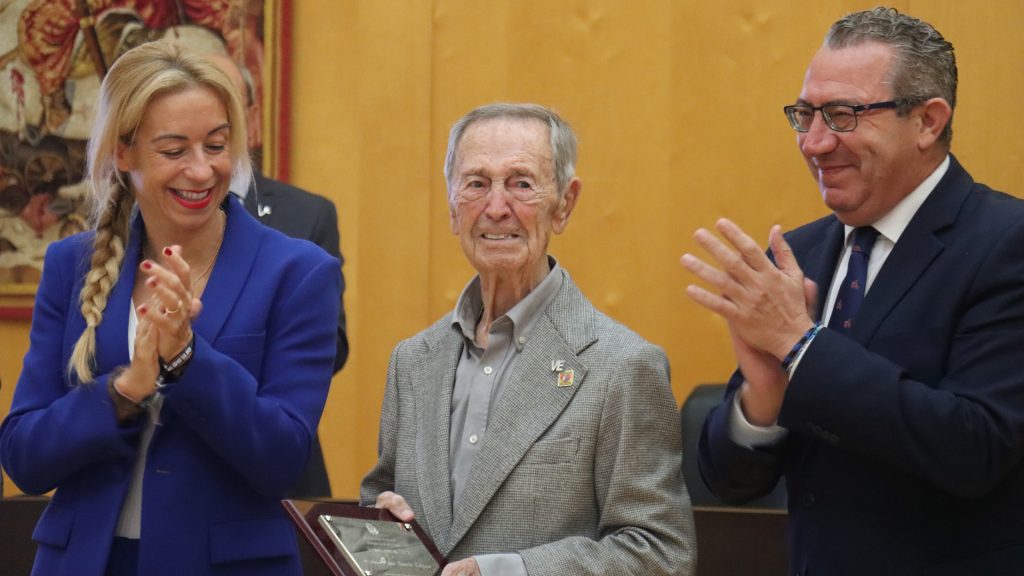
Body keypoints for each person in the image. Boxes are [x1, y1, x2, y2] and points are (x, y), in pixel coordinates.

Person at [681, 7, 1024, 575]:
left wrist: (801, 346)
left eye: (842, 115)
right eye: (805, 115)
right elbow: (728, 482)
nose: (814, 144)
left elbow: (975, 447)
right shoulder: (800, 254)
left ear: (928, 121)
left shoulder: (1006, 245)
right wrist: (758, 407)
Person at [0, 40, 340, 576]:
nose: (202, 171)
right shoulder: (71, 264)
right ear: (123, 152)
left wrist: (186, 359)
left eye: (216, 145)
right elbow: (24, 456)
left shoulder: (299, 273)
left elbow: (281, 460)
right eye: (175, 150)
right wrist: (123, 391)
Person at [362, 103, 695, 576]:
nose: (496, 208)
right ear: (453, 206)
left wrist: (507, 571)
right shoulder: (412, 362)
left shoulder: (622, 366)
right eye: (476, 184)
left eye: (521, 184)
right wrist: (379, 526)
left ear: (565, 204)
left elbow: (661, 554)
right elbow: (380, 501)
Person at [205, 50, 347, 499]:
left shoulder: (305, 215)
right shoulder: (135, 218)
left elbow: (334, 348)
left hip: (272, 473)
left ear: (251, 116)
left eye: (221, 104)